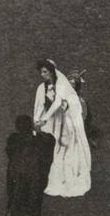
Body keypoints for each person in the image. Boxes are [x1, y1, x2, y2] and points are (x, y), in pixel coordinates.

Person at [32, 59, 92, 197]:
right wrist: (37, 121)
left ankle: (67, 177)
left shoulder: (61, 85)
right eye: (41, 72)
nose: (42, 75)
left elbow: (58, 102)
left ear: (52, 72)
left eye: (45, 72)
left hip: (63, 120)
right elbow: (39, 104)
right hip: (51, 122)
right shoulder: (42, 88)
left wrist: (45, 118)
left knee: (63, 148)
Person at [3, 114, 55, 216]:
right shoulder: (38, 139)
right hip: (33, 175)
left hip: (16, 174)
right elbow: (50, 141)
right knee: (33, 197)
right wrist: (38, 131)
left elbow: (9, 152)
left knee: (15, 196)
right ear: (31, 126)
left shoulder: (13, 138)